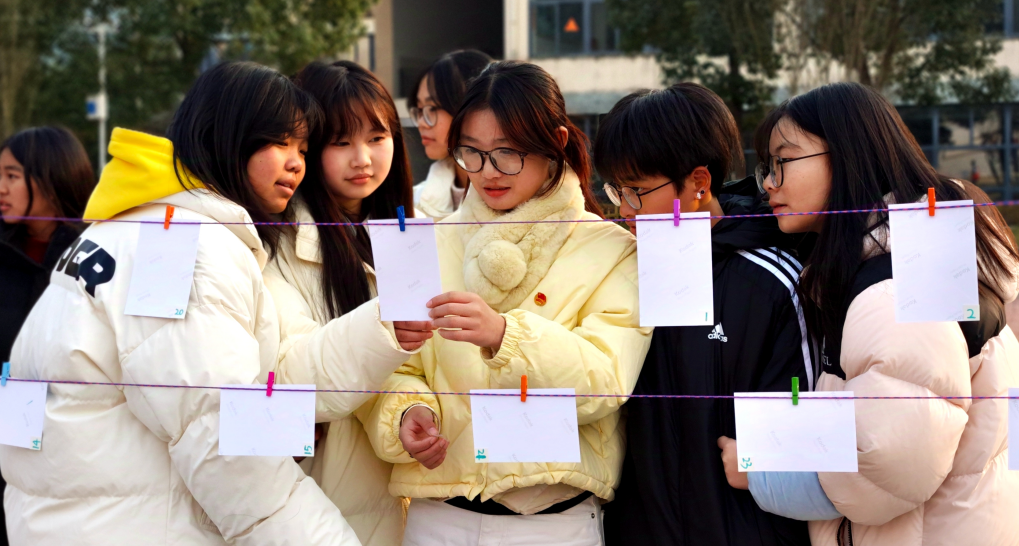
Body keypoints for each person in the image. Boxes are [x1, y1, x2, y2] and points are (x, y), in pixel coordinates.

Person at [0, 61, 416, 545]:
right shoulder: (184, 247)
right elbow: (220, 436)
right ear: (227, 135)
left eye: (303, 148)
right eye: (279, 142)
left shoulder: (141, 226)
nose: (295, 163)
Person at [364, 61, 653, 546]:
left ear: (556, 142)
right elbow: (391, 364)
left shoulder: (612, 249)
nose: (488, 172)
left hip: (553, 522)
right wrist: (407, 411)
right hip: (437, 518)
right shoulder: (423, 243)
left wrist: (505, 336)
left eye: (507, 153)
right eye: (472, 153)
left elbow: (607, 380)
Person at [718, 82, 1019, 545]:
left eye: (783, 162)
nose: (769, 184)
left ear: (848, 156)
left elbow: (894, 465)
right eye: (766, 168)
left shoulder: (891, 288)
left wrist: (761, 467)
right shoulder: (929, 247)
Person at [595, 84, 812, 546]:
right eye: (617, 190)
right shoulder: (620, 271)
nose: (624, 209)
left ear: (698, 182)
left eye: (637, 191)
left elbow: (801, 426)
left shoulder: (772, 281)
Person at [263, 59, 421, 546]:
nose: (363, 159)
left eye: (376, 137)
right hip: (324, 501)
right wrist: (385, 325)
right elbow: (287, 375)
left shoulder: (411, 233)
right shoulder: (279, 245)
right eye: (340, 142)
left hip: (414, 499)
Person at [0, 125, 95, 546]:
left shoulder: (93, 256)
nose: (1, 188)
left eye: (12, 175)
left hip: (72, 447)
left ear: (50, 177)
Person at [409, 49, 492, 220]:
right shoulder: (414, 203)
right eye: (419, 109)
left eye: (432, 108)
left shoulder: (527, 201)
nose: (422, 122)